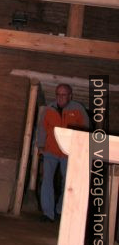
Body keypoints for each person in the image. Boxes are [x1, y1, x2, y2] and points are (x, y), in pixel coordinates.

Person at [37, 83, 89, 222]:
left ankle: (60, 209)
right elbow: (41, 128)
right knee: (47, 180)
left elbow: (85, 129)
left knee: (68, 183)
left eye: (63, 94)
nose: (60, 97)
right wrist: (40, 146)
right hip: (50, 151)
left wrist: (79, 150)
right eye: (58, 94)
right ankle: (48, 213)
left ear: (70, 96)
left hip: (69, 153)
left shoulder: (78, 110)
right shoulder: (49, 109)